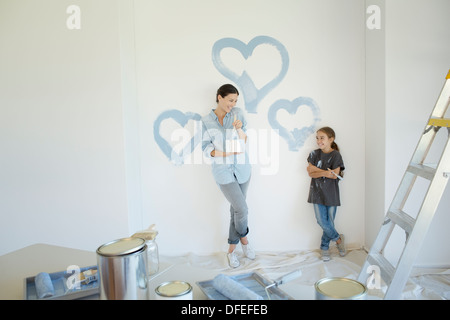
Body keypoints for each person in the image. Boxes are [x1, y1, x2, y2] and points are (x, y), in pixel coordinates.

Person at [201, 84, 255, 268]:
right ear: (219, 97)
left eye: (235, 101)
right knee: (242, 209)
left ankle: (231, 251)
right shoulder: (206, 121)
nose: (233, 104)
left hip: (242, 169)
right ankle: (245, 241)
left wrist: (240, 129)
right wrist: (223, 153)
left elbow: (245, 139)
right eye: (230, 100)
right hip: (223, 172)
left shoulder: (238, 113)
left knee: (236, 210)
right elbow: (205, 148)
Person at [306, 126, 346, 261]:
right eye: (317, 138)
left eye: (322, 138)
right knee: (321, 221)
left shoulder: (336, 155)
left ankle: (324, 247)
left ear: (331, 139)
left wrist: (318, 171)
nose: (318, 141)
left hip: (331, 194)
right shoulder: (313, 154)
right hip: (316, 193)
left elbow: (334, 176)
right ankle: (339, 240)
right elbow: (310, 172)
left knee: (329, 222)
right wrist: (325, 173)